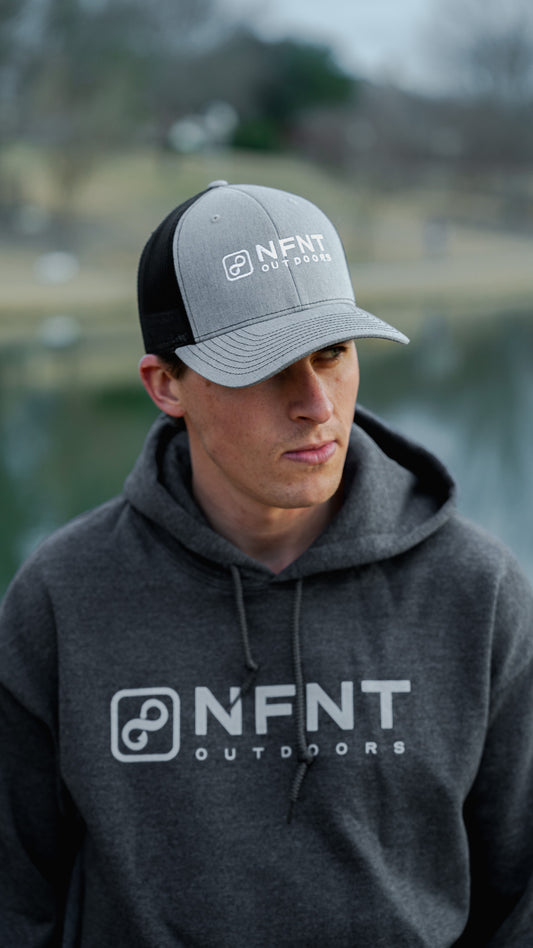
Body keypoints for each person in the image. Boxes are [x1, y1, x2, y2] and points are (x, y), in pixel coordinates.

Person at [0, 180, 532, 948]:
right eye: (264, 367)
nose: (317, 404)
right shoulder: (61, 598)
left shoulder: (476, 592)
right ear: (166, 385)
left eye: (331, 353)